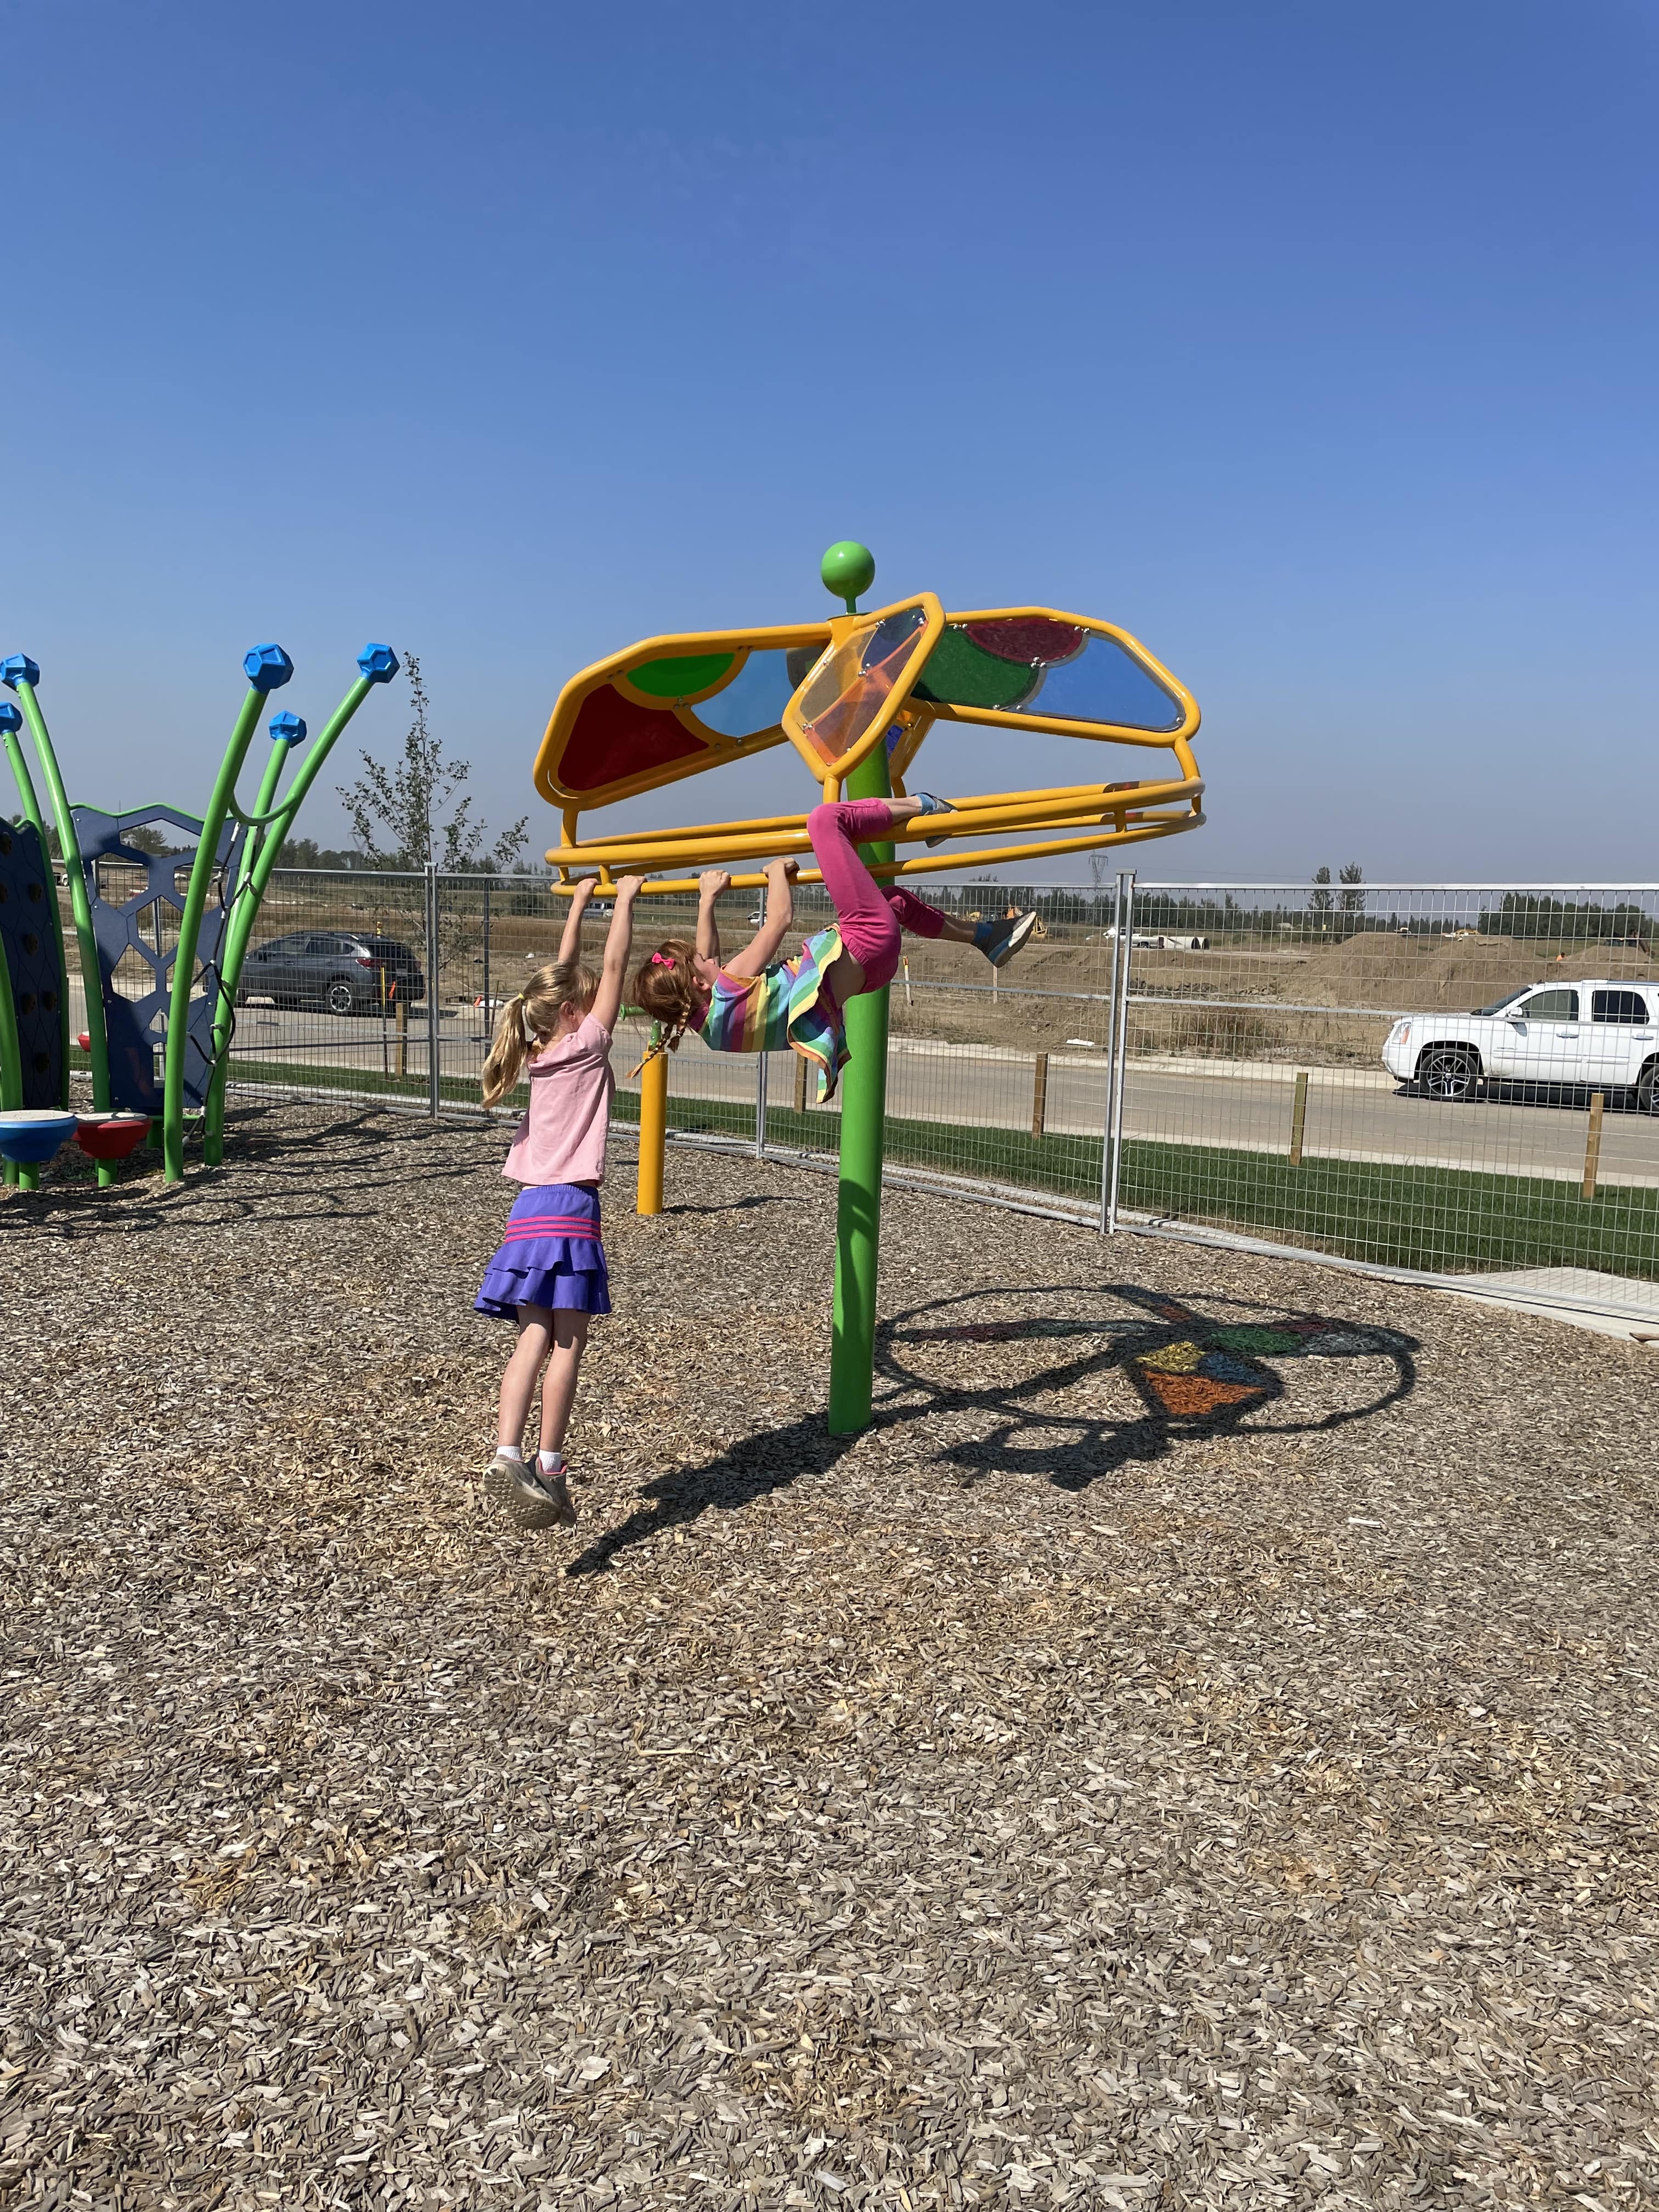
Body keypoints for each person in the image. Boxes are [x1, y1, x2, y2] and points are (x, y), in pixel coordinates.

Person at [631, 795, 1037, 1099]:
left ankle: (986, 937)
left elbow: (714, 965)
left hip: (871, 973)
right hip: (864, 936)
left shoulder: (714, 1027)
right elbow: (779, 922)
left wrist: (707, 901)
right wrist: (776, 874)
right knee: (824, 820)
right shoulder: (727, 988)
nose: (707, 957)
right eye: (697, 961)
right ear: (700, 985)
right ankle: (927, 807)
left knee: (893, 900)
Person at [475, 872, 642, 1531]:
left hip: (525, 1215)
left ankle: (505, 1451)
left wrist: (579, 902)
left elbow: (568, 971)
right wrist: (623, 900)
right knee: (569, 1344)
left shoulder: (536, 1049)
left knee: (532, 1335)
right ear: (575, 1011)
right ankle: (550, 1464)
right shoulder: (587, 1045)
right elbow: (613, 963)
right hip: (571, 1209)